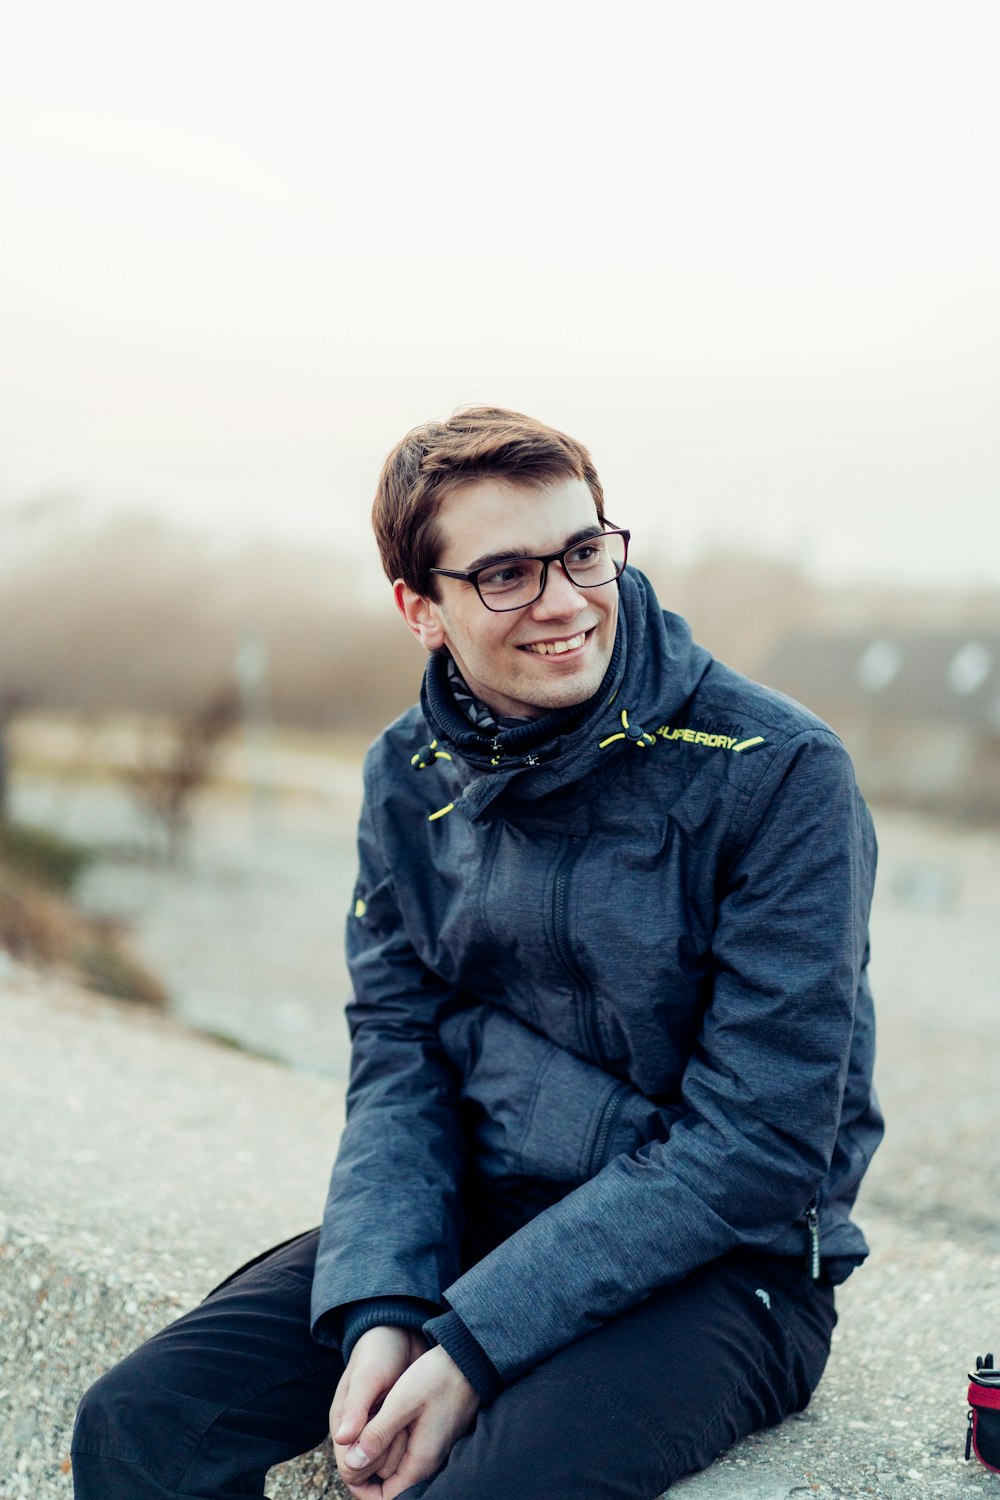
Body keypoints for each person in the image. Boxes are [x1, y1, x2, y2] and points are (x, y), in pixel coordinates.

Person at [72, 407, 883, 1500]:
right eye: (504, 573)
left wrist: (471, 1345)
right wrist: (381, 1311)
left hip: (732, 1265)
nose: (563, 602)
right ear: (421, 609)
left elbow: (759, 1144)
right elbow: (398, 1058)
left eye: (582, 552)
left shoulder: (777, 769)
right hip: (485, 1215)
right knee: (142, 1426)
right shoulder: (405, 775)